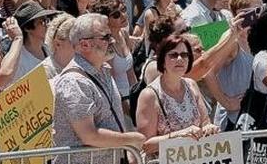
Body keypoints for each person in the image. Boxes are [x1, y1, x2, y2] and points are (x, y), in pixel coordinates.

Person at [52, 13, 146, 164]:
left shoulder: (104, 71)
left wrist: (126, 151)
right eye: (106, 37)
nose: (113, 41)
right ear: (84, 45)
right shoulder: (74, 82)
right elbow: (89, 135)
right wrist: (130, 139)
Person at [134, 34, 218, 155]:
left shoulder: (192, 85)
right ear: (162, 61)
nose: (180, 59)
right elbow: (146, 145)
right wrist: (180, 135)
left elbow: (205, 122)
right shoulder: (149, 95)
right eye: (173, 55)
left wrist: (209, 128)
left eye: (184, 55)